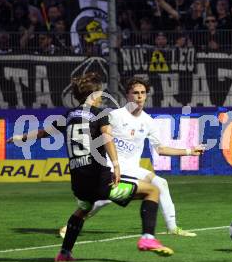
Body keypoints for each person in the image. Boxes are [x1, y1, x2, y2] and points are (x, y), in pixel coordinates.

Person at [8, 73, 174, 261]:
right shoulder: (99, 114)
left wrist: (19, 138)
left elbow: (42, 133)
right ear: (94, 95)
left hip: (78, 183)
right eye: (100, 93)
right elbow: (107, 137)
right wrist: (117, 166)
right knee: (152, 191)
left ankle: (64, 253)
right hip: (99, 181)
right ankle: (147, 238)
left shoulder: (68, 115)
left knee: (84, 208)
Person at [59, 77, 204, 239]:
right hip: (111, 165)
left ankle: (172, 227)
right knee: (103, 199)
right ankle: (71, 225)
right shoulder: (115, 116)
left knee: (157, 184)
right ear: (128, 96)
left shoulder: (149, 121)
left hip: (132, 168)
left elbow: (161, 149)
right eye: (135, 93)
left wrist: (190, 151)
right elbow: (98, 135)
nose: (139, 96)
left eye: (143, 93)